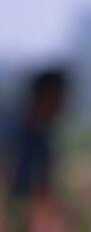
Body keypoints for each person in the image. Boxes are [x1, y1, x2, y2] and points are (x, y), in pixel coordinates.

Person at [1, 67, 71, 201]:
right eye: (58, 99)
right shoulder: (11, 133)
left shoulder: (41, 140)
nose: (62, 107)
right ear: (43, 97)